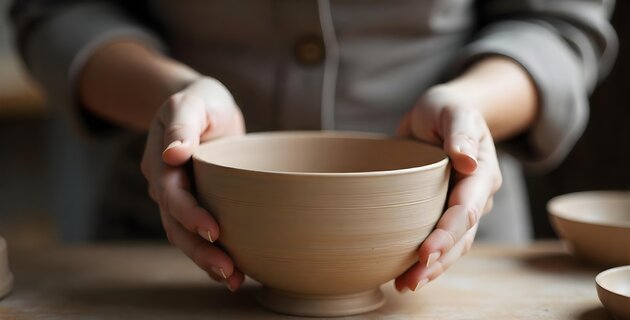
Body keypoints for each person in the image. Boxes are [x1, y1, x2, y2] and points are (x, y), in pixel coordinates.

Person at [10, 0, 617, 293]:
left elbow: (558, 24)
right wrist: (172, 96)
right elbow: (56, 11)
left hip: (446, 244)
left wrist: (471, 105)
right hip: (163, 250)